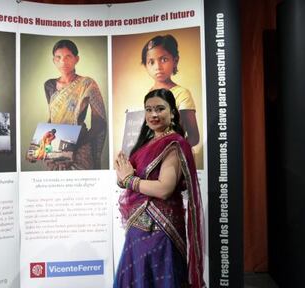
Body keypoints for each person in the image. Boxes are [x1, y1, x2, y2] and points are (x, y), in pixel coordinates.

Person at [114, 89, 205, 287]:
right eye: (149, 110)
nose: (154, 115)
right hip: (138, 228)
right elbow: (129, 179)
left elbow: (165, 188)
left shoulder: (175, 144)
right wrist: (123, 176)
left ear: (172, 112)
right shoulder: (145, 144)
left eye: (160, 109)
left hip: (161, 229)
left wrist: (129, 180)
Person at [44, 39, 106, 170]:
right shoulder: (49, 85)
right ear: (53, 60)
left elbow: (99, 124)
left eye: (68, 57)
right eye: (58, 57)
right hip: (55, 147)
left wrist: (73, 146)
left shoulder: (87, 84)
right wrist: (41, 146)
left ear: (76, 59)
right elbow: (52, 119)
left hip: (79, 144)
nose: (63, 62)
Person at [142, 34, 200, 147]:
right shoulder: (149, 94)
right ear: (146, 66)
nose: (157, 66)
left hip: (175, 156)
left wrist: (175, 150)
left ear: (175, 61)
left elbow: (194, 137)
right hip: (153, 156)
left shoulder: (182, 94)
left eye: (164, 59)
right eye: (151, 62)